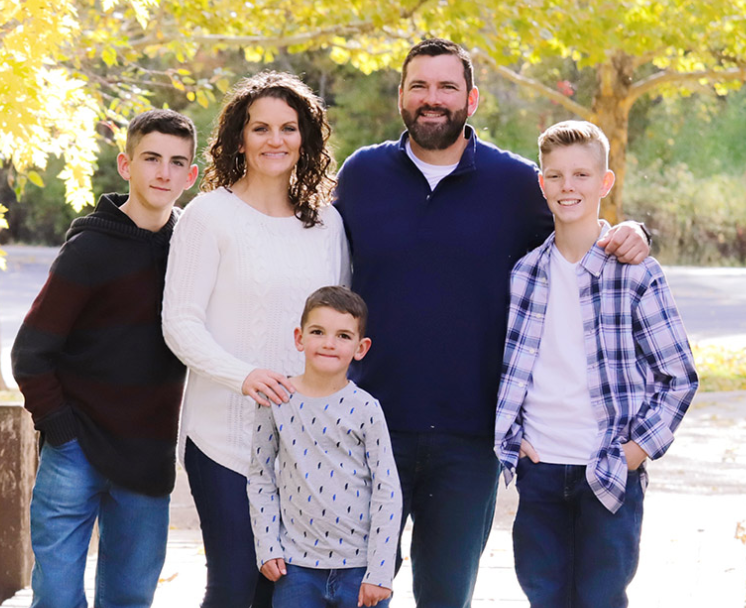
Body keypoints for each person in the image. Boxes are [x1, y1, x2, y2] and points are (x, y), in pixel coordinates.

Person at [334, 38, 652, 608]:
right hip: (371, 426)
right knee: (356, 591)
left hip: (472, 436)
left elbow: (577, 224)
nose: (433, 99)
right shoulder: (362, 174)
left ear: (472, 99)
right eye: (420, 86)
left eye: (447, 87)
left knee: (447, 595)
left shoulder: (516, 183)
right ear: (400, 96)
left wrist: (634, 231)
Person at [162, 71, 350, 608]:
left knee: (286, 588)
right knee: (235, 585)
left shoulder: (326, 224)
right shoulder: (208, 215)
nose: (275, 140)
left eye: (288, 128)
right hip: (224, 438)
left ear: (305, 138)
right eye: (260, 128)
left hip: (303, 443)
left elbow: (335, 328)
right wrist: (242, 375)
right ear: (239, 138)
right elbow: (180, 322)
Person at [494, 120, 698, 607]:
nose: (569, 187)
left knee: (602, 598)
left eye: (582, 175)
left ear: (605, 182)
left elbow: (679, 376)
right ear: (542, 184)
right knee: (543, 596)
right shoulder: (525, 274)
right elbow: (512, 363)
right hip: (541, 467)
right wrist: (515, 434)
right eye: (556, 176)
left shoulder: (635, 271)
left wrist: (636, 452)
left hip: (608, 468)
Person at [11, 109, 199, 608]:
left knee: (130, 597)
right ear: (125, 165)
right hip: (77, 448)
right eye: (151, 158)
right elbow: (30, 352)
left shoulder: (192, 248)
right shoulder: (91, 247)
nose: (164, 172)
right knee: (56, 596)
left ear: (191, 175)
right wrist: (63, 430)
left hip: (147, 450)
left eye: (177, 162)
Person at [248, 286, 402, 608]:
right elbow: (261, 476)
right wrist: (268, 546)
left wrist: (380, 571)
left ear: (361, 348)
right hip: (296, 568)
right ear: (299, 338)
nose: (329, 343)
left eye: (343, 336)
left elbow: (387, 489)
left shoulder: (367, 408)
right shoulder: (276, 401)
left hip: (359, 570)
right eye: (318, 331)